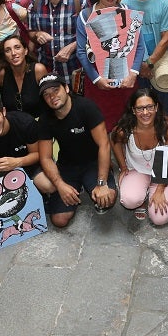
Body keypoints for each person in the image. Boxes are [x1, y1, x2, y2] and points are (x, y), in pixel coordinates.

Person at [36, 75, 117, 227]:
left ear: (66, 88)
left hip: (93, 162)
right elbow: (45, 158)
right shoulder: (45, 119)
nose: (52, 97)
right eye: (47, 95)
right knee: (59, 220)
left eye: (55, 90)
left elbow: (104, 144)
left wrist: (102, 183)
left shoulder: (86, 107)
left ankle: (99, 182)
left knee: (107, 199)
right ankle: (72, 191)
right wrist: (60, 185)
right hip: (67, 166)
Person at [75, 0, 146, 129]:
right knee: (100, 127)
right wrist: (96, 79)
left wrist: (133, 74)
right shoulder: (85, 16)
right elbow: (81, 51)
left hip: (126, 80)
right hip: (98, 80)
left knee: (129, 125)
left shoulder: (127, 12)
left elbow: (139, 46)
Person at [111, 89, 168, 225]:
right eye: (140, 108)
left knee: (160, 218)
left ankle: (152, 191)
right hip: (137, 171)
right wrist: (123, 167)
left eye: (149, 107)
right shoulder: (125, 129)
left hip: (162, 174)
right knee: (129, 201)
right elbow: (115, 141)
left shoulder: (167, 125)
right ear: (133, 110)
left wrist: (160, 189)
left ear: (156, 107)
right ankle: (143, 195)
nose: (146, 113)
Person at [27, 0, 88, 82]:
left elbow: (93, 36)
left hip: (75, 72)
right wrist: (37, 34)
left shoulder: (80, 1)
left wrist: (72, 47)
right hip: (46, 73)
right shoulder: (35, 2)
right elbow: (30, 32)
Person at [0, 34, 49, 120]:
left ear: (25, 50)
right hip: (12, 126)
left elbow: (50, 98)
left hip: (38, 124)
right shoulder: (0, 73)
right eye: (8, 50)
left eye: (17, 47)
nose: (13, 53)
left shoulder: (38, 70)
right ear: (4, 56)